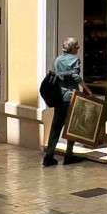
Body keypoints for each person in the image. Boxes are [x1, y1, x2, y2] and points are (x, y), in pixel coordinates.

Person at [42, 39, 82, 167]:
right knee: (72, 126)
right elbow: (76, 77)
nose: (78, 49)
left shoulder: (58, 59)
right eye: (77, 47)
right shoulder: (75, 60)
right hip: (71, 97)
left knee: (56, 127)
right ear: (73, 48)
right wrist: (87, 90)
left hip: (59, 96)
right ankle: (69, 154)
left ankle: (49, 155)